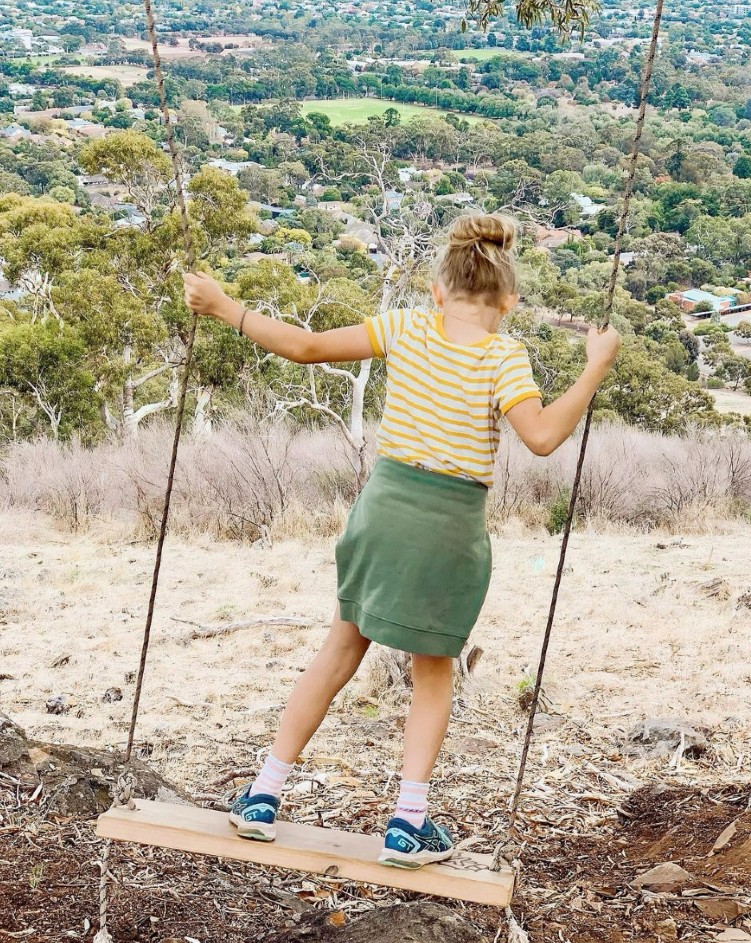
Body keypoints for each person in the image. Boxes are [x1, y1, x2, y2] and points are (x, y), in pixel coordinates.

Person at [183, 213, 621, 869]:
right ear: (509, 301)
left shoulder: (407, 326)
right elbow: (540, 436)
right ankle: (406, 822)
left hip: (382, 507)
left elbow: (304, 347)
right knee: (433, 670)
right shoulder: (503, 354)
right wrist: (592, 370)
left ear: (438, 291)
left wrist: (224, 307)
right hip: (448, 524)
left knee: (340, 645)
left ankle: (262, 794)